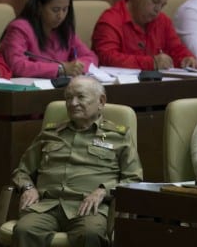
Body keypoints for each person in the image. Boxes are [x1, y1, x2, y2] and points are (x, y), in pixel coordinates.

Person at [11, 76, 143, 247]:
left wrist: (104, 190)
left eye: (80, 97)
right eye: (68, 98)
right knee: (24, 230)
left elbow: (133, 179)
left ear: (101, 101)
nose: (73, 103)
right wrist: (28, 187)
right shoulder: (50, 133)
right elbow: (22, 171)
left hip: (89, 209)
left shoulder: (118, 136)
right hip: (47, 206)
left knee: (90, 234)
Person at [92, 0, 197, 70]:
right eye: (155, 1)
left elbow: (176, 48)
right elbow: (106, 58)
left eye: (162, 5)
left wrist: (187, 58)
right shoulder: (111, 20)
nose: (158, 9)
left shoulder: (163, 21)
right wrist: (151, 63)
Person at [0, 0, 99, 78]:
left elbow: (91, 57)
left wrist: (77, 67)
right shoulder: (19, 29)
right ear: (39, 7)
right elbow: (17, 65)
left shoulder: (65, 30)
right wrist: (61, 69)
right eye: (55, 10)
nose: (60, 15)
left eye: (65, 9)